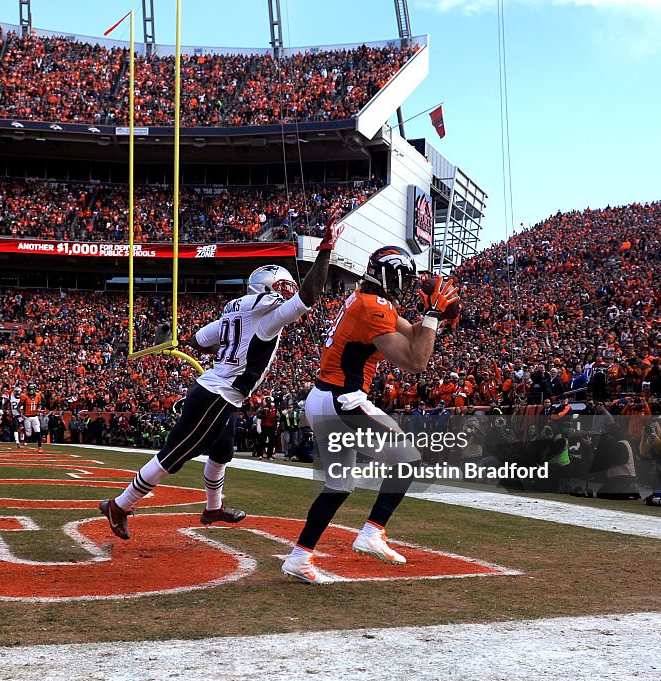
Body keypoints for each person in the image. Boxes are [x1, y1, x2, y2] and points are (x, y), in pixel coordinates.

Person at [99, 219, 343, 539]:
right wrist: (325, 249)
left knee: (222, 451)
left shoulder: (234, 310)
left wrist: (230, 347)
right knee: (175, 454)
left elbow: (201, 339)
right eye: (284, 287)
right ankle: (119, 505)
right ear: (272, 289)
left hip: (218, 389)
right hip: (219, 394)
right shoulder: (267, 318)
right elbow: (310, 294)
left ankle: (213, 506)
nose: (289, 292)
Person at [282, 245, 460, 584]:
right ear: (389, 275)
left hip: (324, 398)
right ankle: (372, 531)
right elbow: (416, 361)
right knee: (408, 458)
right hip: (343, 400)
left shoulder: (368, 300)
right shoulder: (372, 307)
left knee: (338, 486)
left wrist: (435, 317)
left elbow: (413, 333)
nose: (407, 285)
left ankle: (299, 557)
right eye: (404, 278)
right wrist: (434, 316)